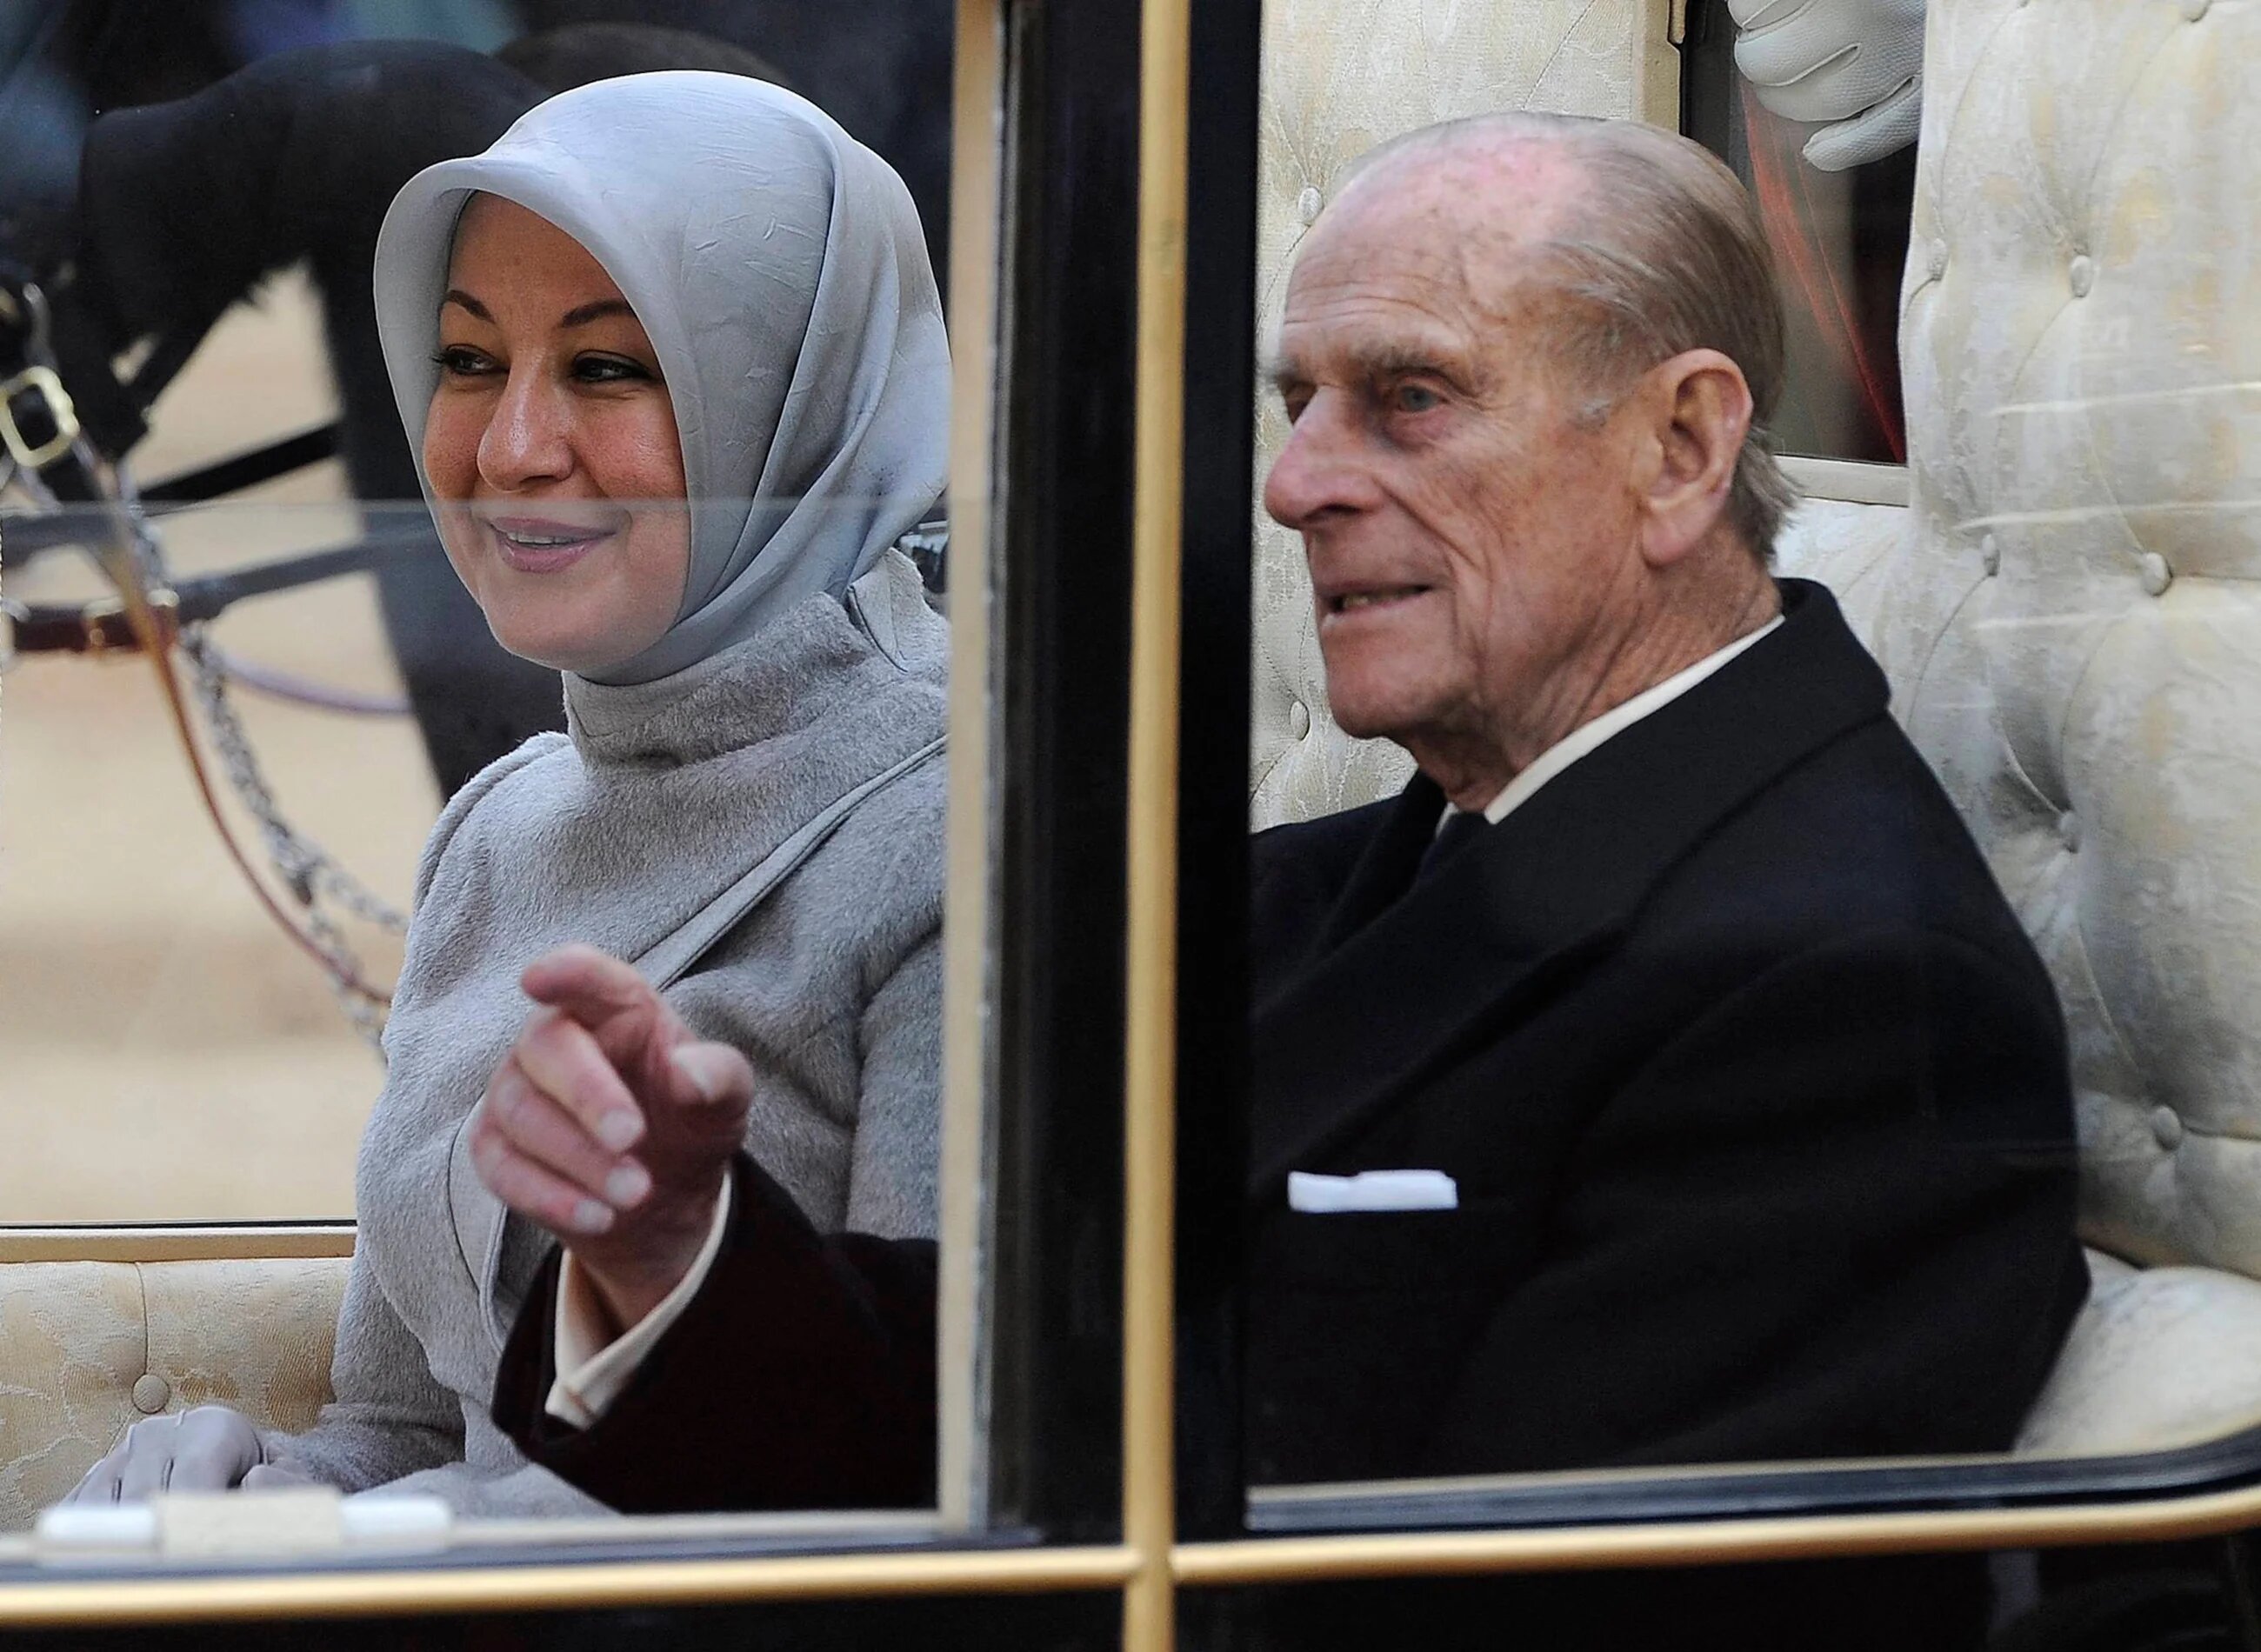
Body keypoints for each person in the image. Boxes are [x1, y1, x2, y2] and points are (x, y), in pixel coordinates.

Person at [474, 112, 2084, 1510]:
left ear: (1682, 445)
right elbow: (1044, 1409)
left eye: (1410, 400)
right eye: (1298, 399)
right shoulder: (1329, 885)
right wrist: (669, 1236)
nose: (1296, 479)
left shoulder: (1844, 1000)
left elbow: (1538, 1602)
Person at [65, 70, 951, 1515]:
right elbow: (412, 1431)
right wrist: (241, 1486)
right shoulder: (497, 829)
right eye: (470, 362)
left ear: (794, 399)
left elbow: (929, 1497)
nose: (508, 448)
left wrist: (374, 1551)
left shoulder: (969, 844)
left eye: (608, 368)